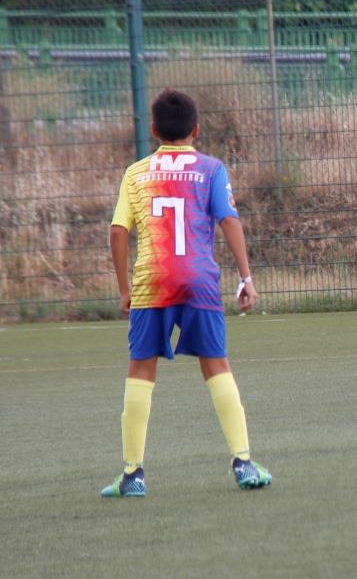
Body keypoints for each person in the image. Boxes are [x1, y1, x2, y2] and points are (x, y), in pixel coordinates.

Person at [102, 88, 271, 497]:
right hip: (199, 281)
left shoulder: (136, 172)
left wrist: (125, 289)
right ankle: (244, 462)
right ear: (196, 129)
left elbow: (118, 232)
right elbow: (229, 220)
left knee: (142, 369)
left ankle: (132, 474)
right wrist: (246, 278)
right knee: (216, 365)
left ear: (154, 130)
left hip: (152, 281)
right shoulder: (211, 169)